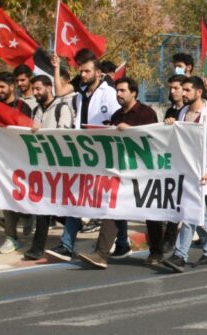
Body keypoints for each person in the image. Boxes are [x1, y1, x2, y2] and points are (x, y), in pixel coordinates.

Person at [70, 78, 165, 269]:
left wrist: (132, 131)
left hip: (143, 173)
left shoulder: (147, 113)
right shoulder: (115, 115)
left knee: (151, 213)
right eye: (117, 91)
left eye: (122, 90)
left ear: (134, 93)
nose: (118, 94)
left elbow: (155, 140)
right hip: (121, 173)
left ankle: (157, 252)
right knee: (112, 209)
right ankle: (101, 254)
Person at [45, 48, 120, 261]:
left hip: (107, 154)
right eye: (81, 71)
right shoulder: (81, 92)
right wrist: (57, 67)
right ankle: (67, 244)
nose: (83, 75)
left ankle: (121, 242)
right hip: (85, 154)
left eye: (87, 71)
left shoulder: (110, 93)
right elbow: (59, 92)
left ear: (98, 73)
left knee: (112, 202)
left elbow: (118, 120)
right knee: (77, 197)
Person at [161, 76, 207, 272]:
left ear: (198, 92)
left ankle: (180, 254)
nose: (183, 93)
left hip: (202, 172)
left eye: (187, 90)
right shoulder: (182, 113)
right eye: (183, 89)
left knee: (191, 211)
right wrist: (170, 125)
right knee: (198, 213)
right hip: (186, 170)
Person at [18, 75, 72, 261]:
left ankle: (38, 247)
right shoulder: (37, 109)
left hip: (59, 165)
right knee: (44, 206)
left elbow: (63, 135)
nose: (35, 93)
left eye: (38, 89)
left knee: (48, 207)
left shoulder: (62, 108)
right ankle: (39, 245)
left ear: (49, 88)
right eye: (34, 89)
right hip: (43, 166)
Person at [0, 70, 34, 254]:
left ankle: (29, 215)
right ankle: (11, 236)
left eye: (2, 87)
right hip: (1, 160)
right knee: (6, 196)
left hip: (21, 161)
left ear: (12, 87)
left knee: (23, 195)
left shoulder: (23, 106)